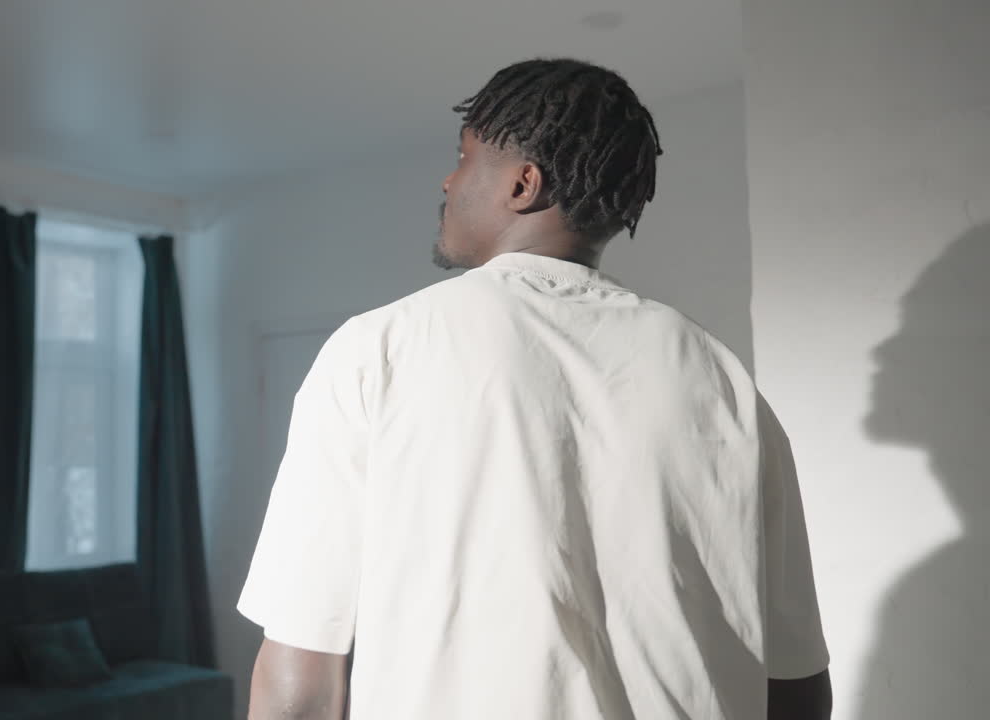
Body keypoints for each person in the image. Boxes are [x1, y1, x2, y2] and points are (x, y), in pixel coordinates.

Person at [238, 57, 832, 720]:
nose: (447, 178)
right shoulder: (721, 376)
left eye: (464, 158)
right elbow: (797, 681)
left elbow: (301, 671)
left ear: (523, 184)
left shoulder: (380, 350)